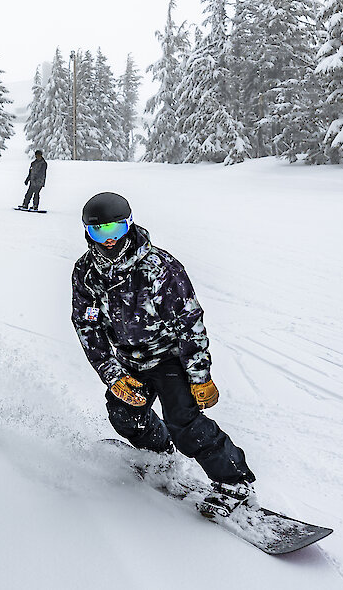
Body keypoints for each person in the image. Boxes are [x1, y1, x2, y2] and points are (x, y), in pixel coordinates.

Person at [71, 192, 256, 518]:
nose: (110, 239)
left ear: (129, 224)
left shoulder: (160, 268)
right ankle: (159, 455)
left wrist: (200, 376)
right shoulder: (86, 273)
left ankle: (234, 482)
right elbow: (88, 326)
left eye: (116, 228)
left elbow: (189, 322)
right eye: (100, 231)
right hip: (129, 357)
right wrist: (112, 373)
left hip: (169, 355)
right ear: (88, 232)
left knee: (183, 420)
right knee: (125, 416)